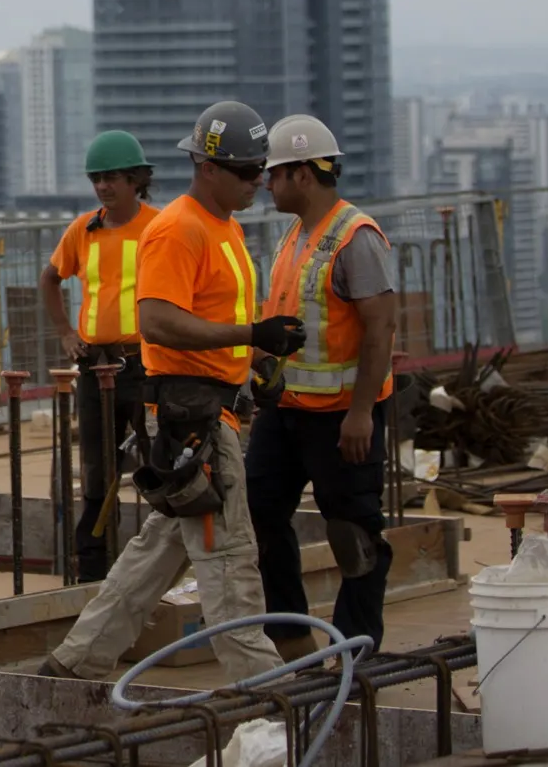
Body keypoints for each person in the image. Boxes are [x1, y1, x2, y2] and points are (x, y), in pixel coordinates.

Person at [29, 102, 307, 685]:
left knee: (156, 552)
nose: (259, 180)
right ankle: (267, 696)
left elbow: (214, 316)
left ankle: (73, 663)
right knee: (229, 562)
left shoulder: (224, 226)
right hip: (192, 419)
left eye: (261, 169)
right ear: (209, 166)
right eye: (249, 170)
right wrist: (252, 335)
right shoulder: (179, 229)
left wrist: (257, 358)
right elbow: (156, 321)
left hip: (209, 409)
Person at [246, 114, 397, 658]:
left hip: (340, 418)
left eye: (276, 172)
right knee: (259, 512)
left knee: (354, 535)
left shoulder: (355, 237)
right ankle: (291, 640)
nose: (267, 182)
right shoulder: (296, 235)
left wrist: (360, 414)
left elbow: (380, 328)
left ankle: (355, 651)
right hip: (287, 412)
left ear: (303, 175)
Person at [36, 130, 159, 581]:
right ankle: (94, 568)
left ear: (135, 180)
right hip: (95, 365)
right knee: (96, 470)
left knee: (157, 463)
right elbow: (50, 278)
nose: (104, 187)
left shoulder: (158, 227)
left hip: (144, 364)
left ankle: (157, 561)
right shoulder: (83, 230)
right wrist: (66, 332)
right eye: (97, 179)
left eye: (112, 178)